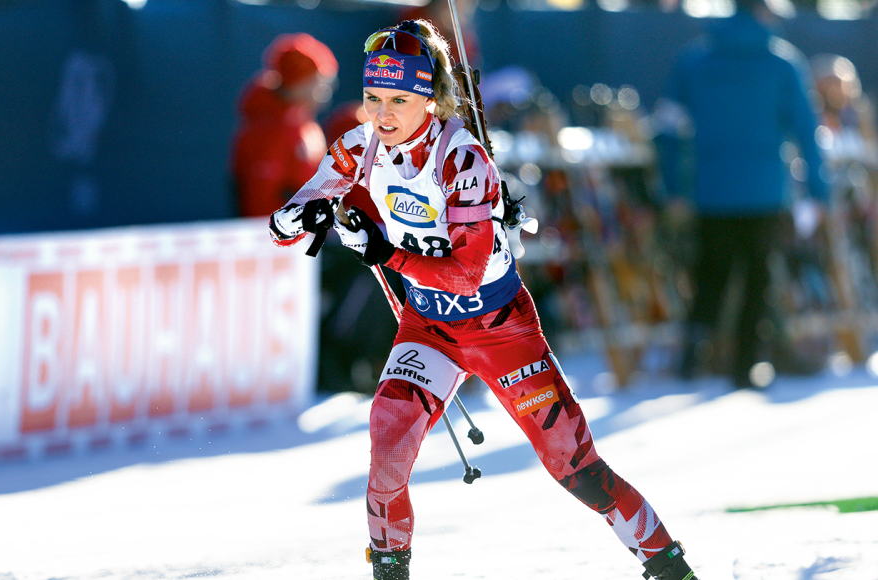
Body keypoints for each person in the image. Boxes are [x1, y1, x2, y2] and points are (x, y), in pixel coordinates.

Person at [268, 19, 699, 580]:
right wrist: (301, 214)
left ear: (432, 99)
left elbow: (467, 274)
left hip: (499, 327)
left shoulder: (461, 158)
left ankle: (667, 564)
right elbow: (283, 225)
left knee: (574, 466)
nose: (384, 113)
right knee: (388, 443)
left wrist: (384, 253)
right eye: (373, 98)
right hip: (429, 328)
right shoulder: (360, 144)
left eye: (400, 99)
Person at [657, 0, 829, 388]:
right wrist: (818, 190)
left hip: (710, 190)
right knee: (758, 280)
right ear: (764, 12)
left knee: (709, 276)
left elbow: (667, 129)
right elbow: (806, 131)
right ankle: (745, 366)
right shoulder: (783, 63)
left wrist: (674, 187)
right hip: (765, 190)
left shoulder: (694, 60)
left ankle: (691, 360)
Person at [231, 33, 338, 218]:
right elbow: (261, 203)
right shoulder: (269, 130)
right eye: (318, 82)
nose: (324, 90)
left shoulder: (302, 122)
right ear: (299, 83)